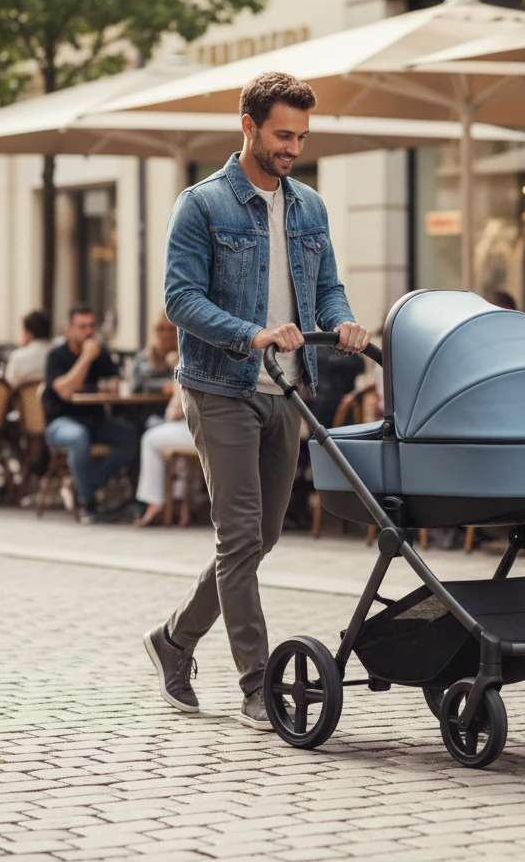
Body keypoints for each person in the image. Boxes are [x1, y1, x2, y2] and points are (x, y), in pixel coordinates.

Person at [144, 71, 370, 730]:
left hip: (289, 388)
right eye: (281, 134)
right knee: (239, 537)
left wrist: (345, 321)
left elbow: (325, 287)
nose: (292, 146)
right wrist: (252, 334)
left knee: (262, 537)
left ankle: (175, 640)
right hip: (221, 386)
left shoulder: (310, 207)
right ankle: (256, 685)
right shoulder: (202, 205)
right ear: (248, 126)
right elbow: (179, 300)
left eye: (300, 135)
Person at [42, 304, 138, 525]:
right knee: (78, 437)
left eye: (92, 326)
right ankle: (88, 503)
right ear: (69, 330)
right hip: (61, 423)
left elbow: (115, 383)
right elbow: (65, 390)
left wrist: (108, 381)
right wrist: (85, 358)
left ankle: (88, 484)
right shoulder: (56, 356)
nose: (88, 332)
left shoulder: (101, 355)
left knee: (129, 437)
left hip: (95, 420)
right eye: (82, 327)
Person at [133, 385, 196, 528]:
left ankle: (155, 502)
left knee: (150, 439)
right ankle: (179, 503)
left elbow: (175, 411)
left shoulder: (187, 364)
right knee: (172, 449)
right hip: (230, 428)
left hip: (197, 429)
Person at [4, 309, 52, 388]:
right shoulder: (57, 355)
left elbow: (8, 385)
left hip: (22, 400)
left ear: (28, 333)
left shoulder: (18, 356)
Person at [132, 314, 179, 394]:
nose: (166, 334)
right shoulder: (143, 357)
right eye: (161, 329)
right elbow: (137, 385)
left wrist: (177, 364)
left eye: (171, 329)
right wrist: (166, 386)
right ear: (154, 331)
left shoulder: (182, 358)